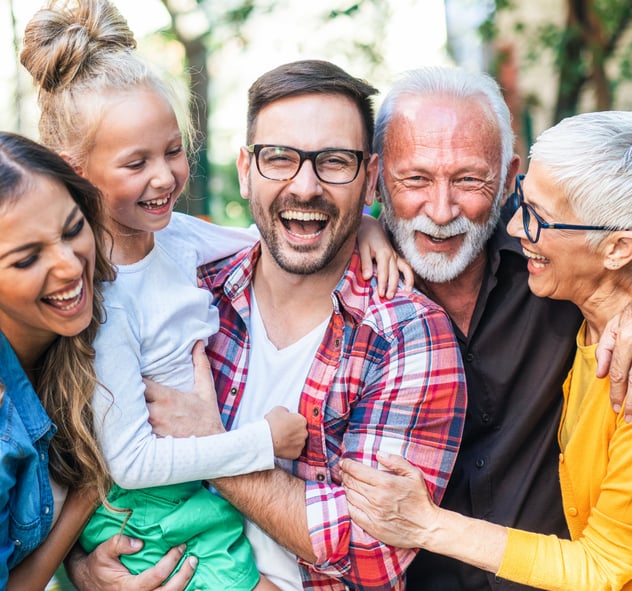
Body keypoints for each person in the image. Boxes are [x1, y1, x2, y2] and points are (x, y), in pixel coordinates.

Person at [66, 58, 467, 591]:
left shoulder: (405, 334)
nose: (304, 186)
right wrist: (82, 569)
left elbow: (372, 553)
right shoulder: (190, 283)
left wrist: (210, 443)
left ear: (369, 178)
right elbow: (79, 438)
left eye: (334, 162)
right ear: (245, 169)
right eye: (280, 158)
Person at [366, 66, 632, 591]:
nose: (440, 211)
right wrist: (360, 223)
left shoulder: (595, 269)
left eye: (469, 180)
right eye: (414, 179)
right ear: (377, 176)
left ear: (508, 177)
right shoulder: (352, 280)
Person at [20, 1, 309, 589]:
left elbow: (271, 235)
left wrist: (372, 228)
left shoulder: (173, 236)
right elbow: (132, 461)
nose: (164, 176)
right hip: (149, 509)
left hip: (193, 487)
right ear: (76, 171)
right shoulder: (102, 298)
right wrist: (261, 443)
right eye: (136, 163)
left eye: (172, 151)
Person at [0, 131, 114, 590]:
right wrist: (90, 491)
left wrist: (357, 226)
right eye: (27, 260)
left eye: (72, 230)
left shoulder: (101, 295)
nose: (70, 266)